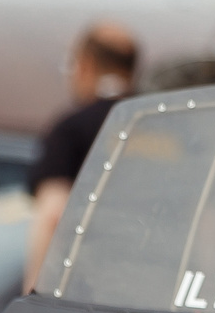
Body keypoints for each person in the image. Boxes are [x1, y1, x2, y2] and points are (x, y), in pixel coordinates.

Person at [22, 22, 139, 289]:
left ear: (85, 65)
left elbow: (53, 215)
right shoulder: (168, 127)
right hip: (162, 295)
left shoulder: (72, 129)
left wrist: (33, 297)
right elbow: (206, 222)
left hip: (91, 292)